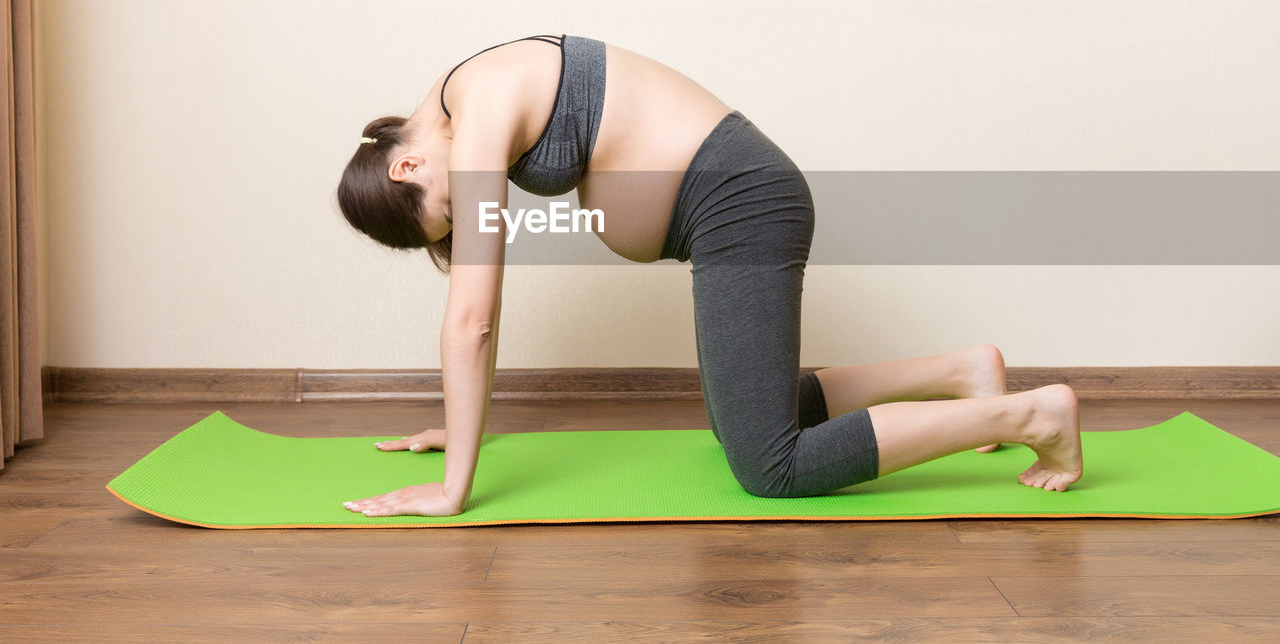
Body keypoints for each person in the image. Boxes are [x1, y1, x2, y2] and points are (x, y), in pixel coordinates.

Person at [337, 34, 1083, 518]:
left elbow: (474, 316)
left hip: (739, 199)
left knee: (769, 465)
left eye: (448, 211)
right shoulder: (461, 97)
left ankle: (1027, 417)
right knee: (735, 422)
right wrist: (464, 424)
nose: (471, 210)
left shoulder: (481, 106)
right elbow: (474, 311)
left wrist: (452, 487)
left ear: (406, 164)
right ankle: (962, 372)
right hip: (724, 207)